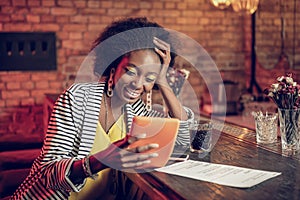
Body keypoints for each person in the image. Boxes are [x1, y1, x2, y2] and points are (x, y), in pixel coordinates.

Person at [11, 17, 194, 200]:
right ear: (113, 67)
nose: (138, 84)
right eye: (130, 71)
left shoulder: (138, 111)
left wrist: (162, 81)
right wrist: (101, 161)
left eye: (149, 78)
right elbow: (48, 174)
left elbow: (183, 139)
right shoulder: (78, 98)